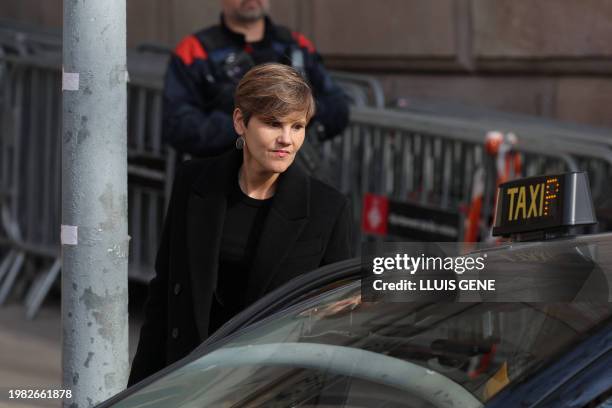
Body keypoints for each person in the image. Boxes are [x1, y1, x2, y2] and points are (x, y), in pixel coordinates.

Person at [129, 63, 353, 386]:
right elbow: (163, 297)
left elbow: (337, 329)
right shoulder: (194, 183)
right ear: (240, 122)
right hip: (189, 384)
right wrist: (138, 393)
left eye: (297, 126)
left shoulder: (326, 210)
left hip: (267, 390)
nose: (286, 140)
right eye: (273, 123)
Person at [162, 0, 349, 157]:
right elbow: (178, 126)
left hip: (294, 177)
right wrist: (248, 128)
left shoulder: (296, 45)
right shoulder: (194, 51)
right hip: (223, 180)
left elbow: (337, 107)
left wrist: (301, 113)